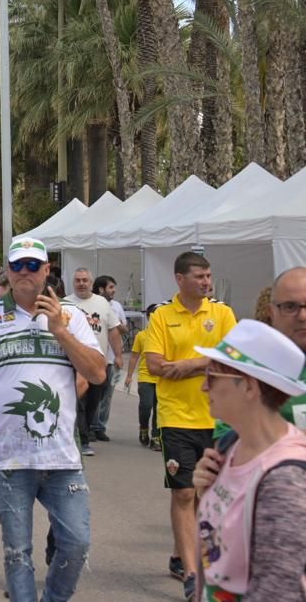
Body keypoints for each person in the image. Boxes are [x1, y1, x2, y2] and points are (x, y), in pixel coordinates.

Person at [0, 237, 106, 601]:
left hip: (63, 458)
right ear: (8, 272)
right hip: (11, 457)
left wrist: (60, 330)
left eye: (32, 265)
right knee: (17, 553)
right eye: (17, 265)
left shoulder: (71, 317)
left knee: (75, 544)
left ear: (46, 270)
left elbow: (98, 373)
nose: (24, 272)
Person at [190, 319, 306, 600]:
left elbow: (279, 590)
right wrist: (206, 492)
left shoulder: (285, 479)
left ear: (249, 387)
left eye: (212, 376)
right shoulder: (229, 446)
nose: (204, 387)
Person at [143, 251, 236, 599]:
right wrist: (206, 363)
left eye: (209, 276)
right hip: (176, 417)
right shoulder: (163, 317)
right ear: (180, 279)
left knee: (208, 495)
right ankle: (193, 574)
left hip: (219, 418)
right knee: (183, 491)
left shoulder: (223, 313)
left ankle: (182, 552)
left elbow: (232, 359)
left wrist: (190, 364)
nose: (206, 282)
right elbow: (155, 365)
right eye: (199, 276)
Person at [66, 267, 122, 455]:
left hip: (98, 363)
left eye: (85, 280)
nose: (81, 283)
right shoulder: (65, 303)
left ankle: (86, 431)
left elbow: (113, 331)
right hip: (74, 364)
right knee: (78, 402)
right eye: (78, 280)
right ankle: (81, 440)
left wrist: (119, 356)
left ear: (91, 283)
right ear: (73, 282)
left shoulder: (102, 304)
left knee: (93, 403)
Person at [92, 274, 128, 438]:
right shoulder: (92, 304)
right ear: (101, 289)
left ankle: (100, 427)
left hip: (112, 358)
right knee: (93, 394)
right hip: (96, 357)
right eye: (111, 287)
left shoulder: (117, 306)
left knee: (108, 394)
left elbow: (124, 328)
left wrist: (113, 323)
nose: (114, 291)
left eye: (114, 287)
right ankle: (90, 426)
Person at [124, 303, 163, 450]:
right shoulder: (141, 336)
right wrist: (129, 376)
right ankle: (143, 427)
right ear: (149, 317)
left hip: (162, 378)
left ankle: (156, 437)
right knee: (146, 406)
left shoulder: (167, 335)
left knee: (159, 409)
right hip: (146, 377)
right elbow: (134, 357)